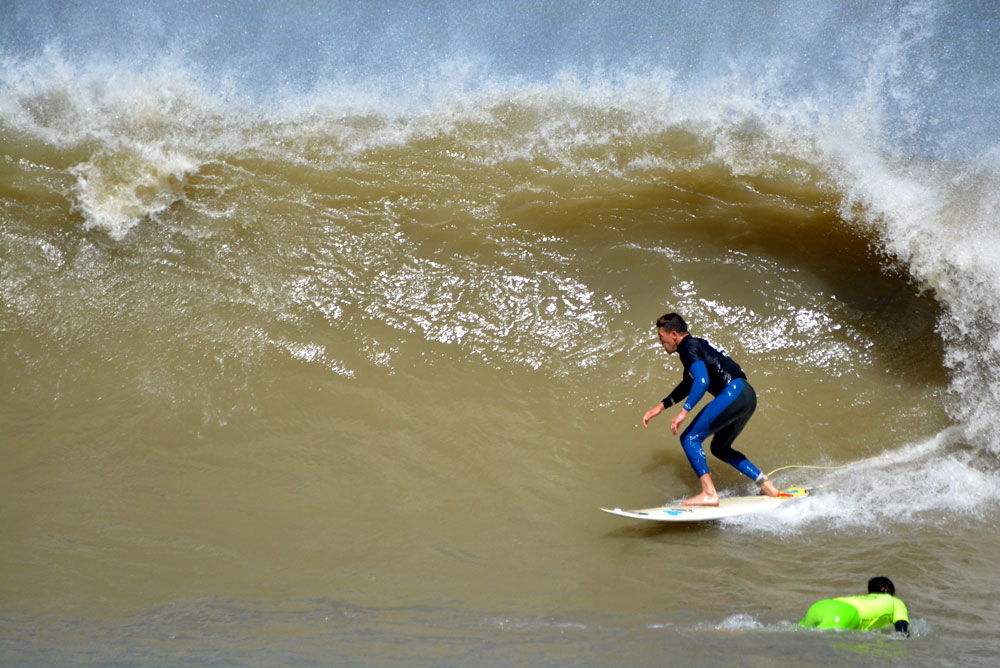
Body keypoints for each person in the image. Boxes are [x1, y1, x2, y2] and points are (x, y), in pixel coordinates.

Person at [642, 312, 779, 506]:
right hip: (747, 395)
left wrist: (683, 412)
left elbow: (702, 381)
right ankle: (767, 486)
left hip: (732, 393)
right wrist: (661, 407)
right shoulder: (696, 346)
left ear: (674, 335)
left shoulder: (688, 347)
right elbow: (688, 383)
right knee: (720, 447)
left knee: (689, 439)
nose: (660, 342)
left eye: (661, 337)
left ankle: (709, 493)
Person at [799, 576, 910, 636]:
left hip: (821, 605)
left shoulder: (861, 599)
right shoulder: (896, 602)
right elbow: (902, 633)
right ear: (893, 593)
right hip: (843, 614)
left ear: (868, 592)